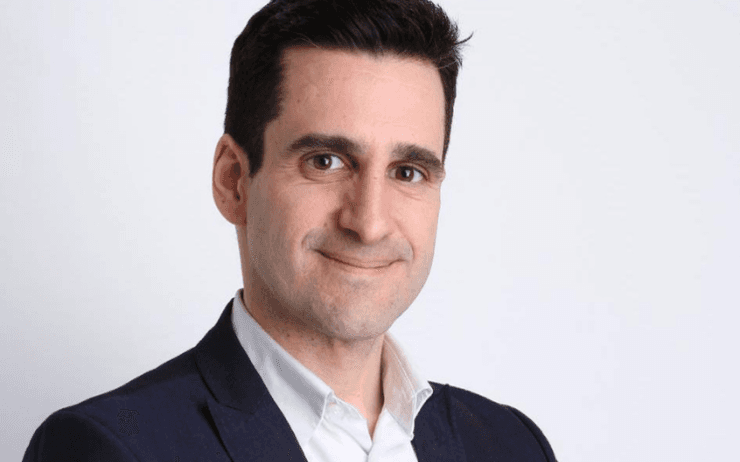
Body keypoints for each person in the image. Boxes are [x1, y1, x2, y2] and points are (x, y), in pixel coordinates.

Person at [23, 1, 557, 460]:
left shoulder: (510, 445)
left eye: (407, 172)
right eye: (326, 161)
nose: (369, 224)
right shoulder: (110, 448)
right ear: (234, 181)